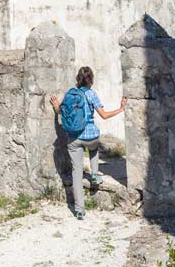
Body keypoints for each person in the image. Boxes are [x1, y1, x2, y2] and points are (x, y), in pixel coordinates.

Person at [50, 66, 126, 220]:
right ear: (91, 79)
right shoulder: (91, 94)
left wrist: (56, 105)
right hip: (91, 136)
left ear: (78, 78)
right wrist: (121, 108)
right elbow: (104, 115)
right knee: (94, 147)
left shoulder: (70, 94)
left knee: (76, 173)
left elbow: (61, 112)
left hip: (74, 138)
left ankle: (79, 210)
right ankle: (95, 175)